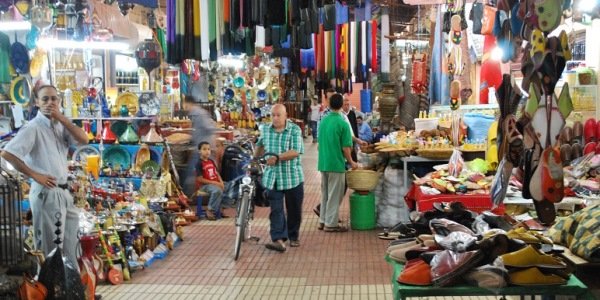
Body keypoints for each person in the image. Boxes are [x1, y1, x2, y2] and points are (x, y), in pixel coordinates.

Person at [1, 84, 88, 268]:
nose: (50, 103)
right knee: (52, 248)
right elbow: (8, 153)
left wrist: (61, 118)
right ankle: (51, 291)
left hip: (64, 192)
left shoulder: (61, 126)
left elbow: (84, 139)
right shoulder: (33, 128)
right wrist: (34, 175)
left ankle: (70, 291)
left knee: (71, 245)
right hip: (47, 192)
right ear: (37, 103)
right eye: (45, 99)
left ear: (60, 101)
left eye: (54, 99)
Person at [255, 104, 305, 252]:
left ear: (285, 116)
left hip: (292, 177)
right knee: (276, 210)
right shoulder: (265, 129)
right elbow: (260, 145)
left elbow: (296, 151)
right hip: (273, 178)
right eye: (273, 115)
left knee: (294, 210)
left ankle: (293, 236)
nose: (275, 118)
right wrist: (254, 159)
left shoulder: (294, 130)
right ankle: (278, 239)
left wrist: (277, 158)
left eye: (278, 115)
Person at [317, 93, 358, 232]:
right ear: (341, 105)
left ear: (329, 104)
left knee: (326, 194)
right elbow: (346, 147)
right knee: (335, 195)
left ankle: (323, 221)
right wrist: (351, 161)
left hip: (323, 162)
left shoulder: (324, 121)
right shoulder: (342, 123)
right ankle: (331, 224)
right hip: (336, 163)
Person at [182, 93, 217, 199]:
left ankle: (189, 196)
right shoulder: (196, 113)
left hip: (203, 148)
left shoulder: (198, 113)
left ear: (187, 103)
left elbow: (210, 128)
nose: (183, 107)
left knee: (193, 172)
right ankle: (194, 196)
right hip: (202, 147)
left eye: (184, 104)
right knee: (198, 172)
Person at [195, 141, 225, 220]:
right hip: (205, 186)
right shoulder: (199, 163)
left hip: (215, 184)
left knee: (231, 187)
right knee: (217, 191)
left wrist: (221, 182)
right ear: (199, 151)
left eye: (208, 149)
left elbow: (217, 173)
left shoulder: (211, 161)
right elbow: (199, 179)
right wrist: (215, 183)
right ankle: (210, 210)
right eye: (204, 149)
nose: (207, 151)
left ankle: (221, 209)